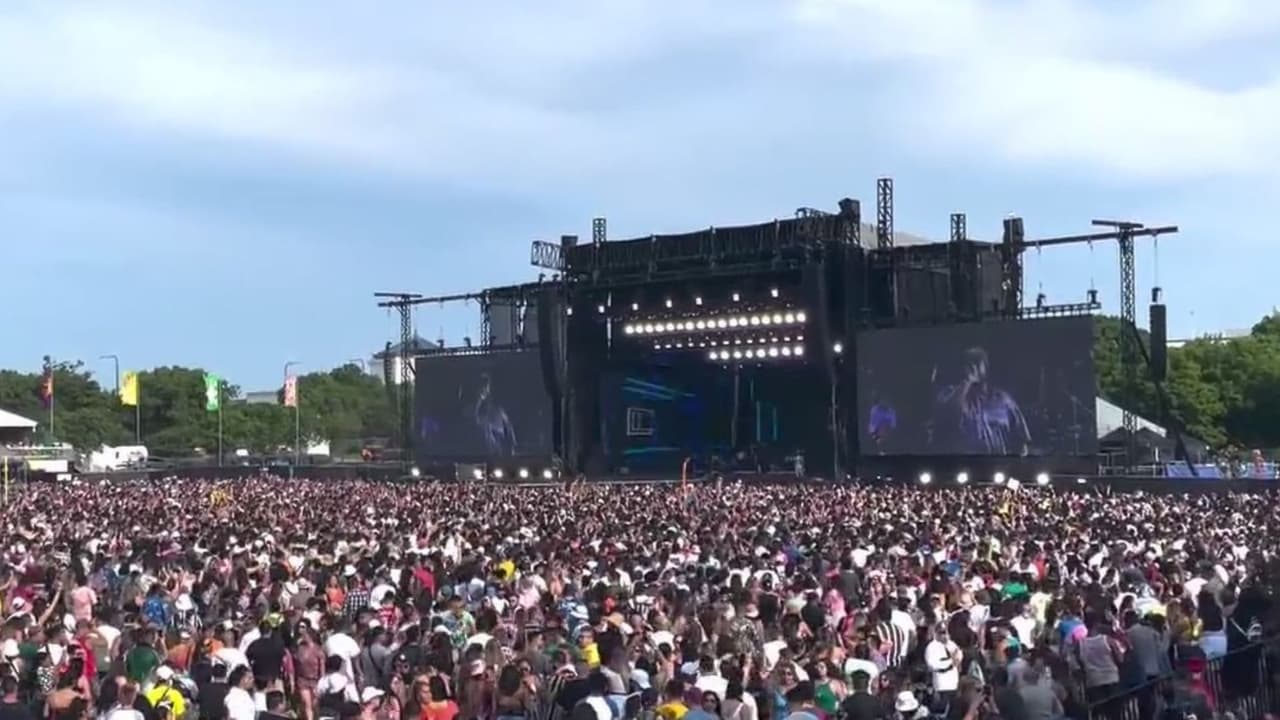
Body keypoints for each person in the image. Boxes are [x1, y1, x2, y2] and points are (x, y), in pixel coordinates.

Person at [930, 346, 1030, 454]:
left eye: (977, 363)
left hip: (997, 461)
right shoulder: (950, 393)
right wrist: (967, 381)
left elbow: (1021, 441)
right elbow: (949, 414)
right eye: (969, 364)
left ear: (986, 367)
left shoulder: (1003, 399)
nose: (973, 368)